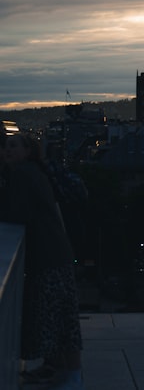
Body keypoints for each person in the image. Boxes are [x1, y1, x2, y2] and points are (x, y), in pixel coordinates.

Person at [0, 133, 85, 390]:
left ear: (28, 151)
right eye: (6, 146)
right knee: (60, 316)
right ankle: (61, 370)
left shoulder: (23, 175)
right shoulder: (34, 172)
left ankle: (71, 376)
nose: (7, 150)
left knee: (58, 319)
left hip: (49, 257)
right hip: (55, 254)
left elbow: (17, 213)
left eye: (14, 146)